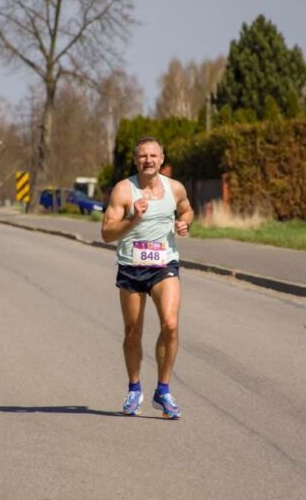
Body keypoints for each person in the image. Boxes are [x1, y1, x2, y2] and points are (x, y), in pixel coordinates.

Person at [101, 136, 194, 419]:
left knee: (171, 324)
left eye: (153, 155)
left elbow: (188, 209)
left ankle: (163, 391)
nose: (148, 160)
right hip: (131, 266)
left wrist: (184, 222)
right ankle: (134, 388)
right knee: (133, 332)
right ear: (135, 160)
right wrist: (133, 219)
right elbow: (106, 234)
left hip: (164, 264)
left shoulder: (174, 188)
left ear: (162, 159)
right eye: (143, 156)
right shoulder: (123, 190)